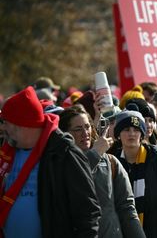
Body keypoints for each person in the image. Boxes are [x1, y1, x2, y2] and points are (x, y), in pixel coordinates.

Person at [0, 86, 101, 237]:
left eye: (6, 123)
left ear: (23, 125)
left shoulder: (64, 153)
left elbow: (87, 213)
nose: (3, 128)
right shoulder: (9, 152)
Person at [58, 105, 145, 238]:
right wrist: (95, 153)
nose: (85, 133)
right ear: (65, 133)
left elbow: (127, 209)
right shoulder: (58, 164)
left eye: (87, 127)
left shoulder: (111, 162)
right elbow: (72, 181)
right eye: (78, 129)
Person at [111, 107, 157, 238]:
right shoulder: (112, 161)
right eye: (126, 129)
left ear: (142, 134)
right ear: (118, 134)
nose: (131, 133)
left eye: (136, 129)